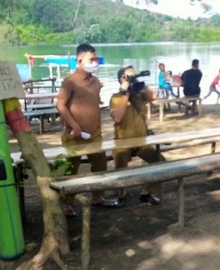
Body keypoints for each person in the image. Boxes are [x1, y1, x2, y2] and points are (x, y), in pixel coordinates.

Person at [56, 43, 120, 216]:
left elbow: (93, 103)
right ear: (79, 60)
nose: (95, 62)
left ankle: (97, 197)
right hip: (74, 135)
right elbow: (60, 104)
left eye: (96, 59)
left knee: (100, 164)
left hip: (94, 134)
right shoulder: (70, 81)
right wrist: (75, 125)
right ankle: (66, 204)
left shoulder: (95, 81)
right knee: (71, 169)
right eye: (91, 59)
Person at [109, 66, 161, 205]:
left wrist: (141, 84)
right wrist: (125, 93)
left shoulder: (140, 96)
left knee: (160, 162)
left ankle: (146, 192)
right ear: (121, 79)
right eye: (129, 77)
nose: (133, 79)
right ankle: (121, 196)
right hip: (122, 143)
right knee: (120, 166)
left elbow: (154, 98)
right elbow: (117, 118)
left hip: (141, 142)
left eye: (134, 76)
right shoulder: (115, 98)